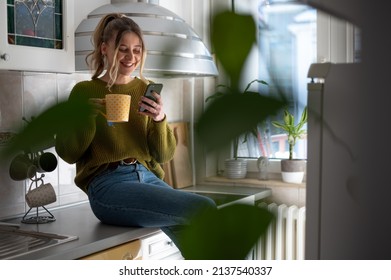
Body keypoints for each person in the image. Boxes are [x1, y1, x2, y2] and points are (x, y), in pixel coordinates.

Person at [55, 13, 216, 256]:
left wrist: (160, 119)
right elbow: (68, 153)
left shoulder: (144, 89)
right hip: (107, 185)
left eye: (137, 50)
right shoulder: (84, 91)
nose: (131, 57)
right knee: (204, 208)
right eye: (123, 49)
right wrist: (85, 118)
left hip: (148, 178)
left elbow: (164, 155)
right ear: (105, 49)